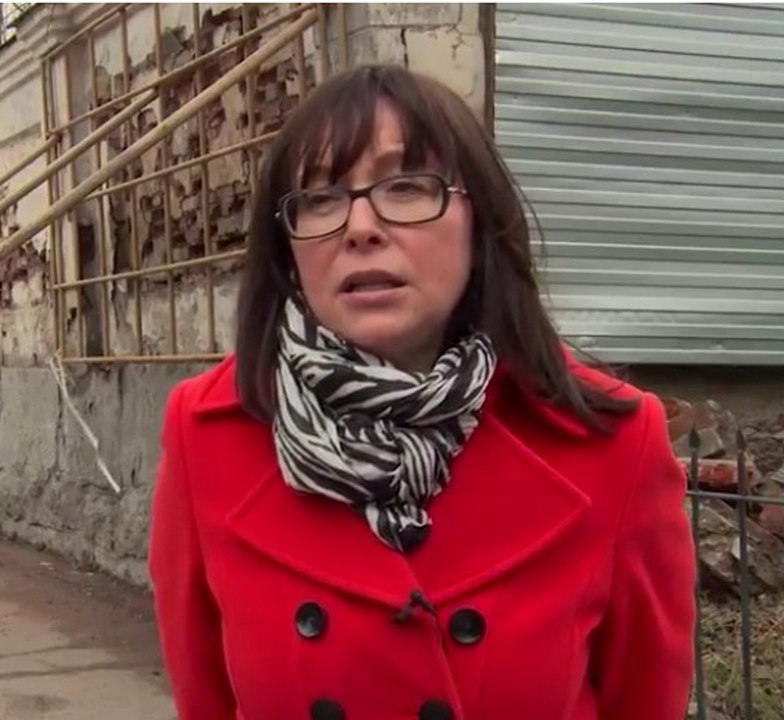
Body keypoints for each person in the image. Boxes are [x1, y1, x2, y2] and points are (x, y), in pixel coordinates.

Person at [147, 64, 696, 720]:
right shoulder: (208, 433)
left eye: (406, 186)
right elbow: (204, 699)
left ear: (478, 220)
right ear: (287, 249)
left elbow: (644, 700)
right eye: (319, 198)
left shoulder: (613, 443)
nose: (359, 227)